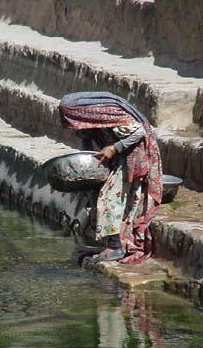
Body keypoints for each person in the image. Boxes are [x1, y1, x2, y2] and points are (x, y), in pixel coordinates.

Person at [59, 91, 162, 265]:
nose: (74, 126)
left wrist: (114, 148)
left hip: (134, 154)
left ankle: (115, 247)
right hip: (117, 156)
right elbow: (87, 140)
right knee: (97, 194)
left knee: (109, 197)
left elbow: (139, 132)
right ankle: (109, 243)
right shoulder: (88, 119)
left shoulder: (108, 113)